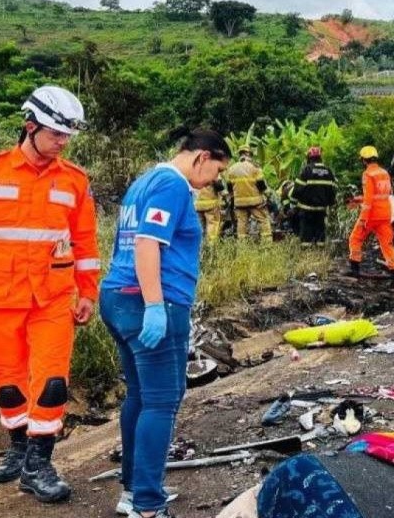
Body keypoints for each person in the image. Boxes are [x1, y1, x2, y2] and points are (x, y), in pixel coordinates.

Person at [0, 85, 100, 502]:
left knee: (52, 381)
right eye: (56, 133)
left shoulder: (75, 181)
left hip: (53, 299)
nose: (62, 142)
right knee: (7, 382)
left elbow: (86, 243)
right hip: (0, 297)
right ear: (30, 126)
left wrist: (87, 293)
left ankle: (39, 465)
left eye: (67, 136)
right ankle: (19, 450)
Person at [100, 129, 232, 518]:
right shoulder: (172, 186)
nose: (214, 180)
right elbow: (145, 244)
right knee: (162, 401)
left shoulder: (144, 181)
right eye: (216, 171)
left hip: (118, 297)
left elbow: (124, 242)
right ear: (201, 157)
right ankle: (148, 506)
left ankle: (135, 492)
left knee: (140, 396)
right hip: (149, 302)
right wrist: (156, 305)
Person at [348, 146, 394, 282]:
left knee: (355, 238)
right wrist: (357, 199)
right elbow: (381, 195)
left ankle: (354, 269)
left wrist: (363, 218)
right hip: (385, 213)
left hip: (371, 215)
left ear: (364, 160)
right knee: (387, 244)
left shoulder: (368, 174)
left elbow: (370, 199)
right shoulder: (384, 173)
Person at [292, 146, 337, 246]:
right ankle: (320, 250)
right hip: (321, 209)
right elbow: (332, 191)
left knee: (306, 231)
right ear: (320, 157)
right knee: (320, 230)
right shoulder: (328, 171)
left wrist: (293, 204)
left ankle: (307, 253)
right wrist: (331, 204)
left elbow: (297, 189)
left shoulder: (306, 170)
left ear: (309, 157)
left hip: (306, 209)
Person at [225, 146, 271, 242]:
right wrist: (267, 196)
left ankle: (242, 246)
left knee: (241, 224)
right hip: (255, 201)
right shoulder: (254, 167)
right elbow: (261, 184)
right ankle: (267, 244)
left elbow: (229, 187)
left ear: (240, 154)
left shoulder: (232, 169)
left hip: (239, 202)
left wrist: (233, 199)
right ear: (249, 154)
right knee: (263, 220)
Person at [193, 177, 226, 244]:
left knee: (201, 227)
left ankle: (201, 246)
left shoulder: (195, 172)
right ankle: (211, 247)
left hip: (198, 205)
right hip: (210, 205)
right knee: (212, 225)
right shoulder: (212, 172)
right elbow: (220, 187)